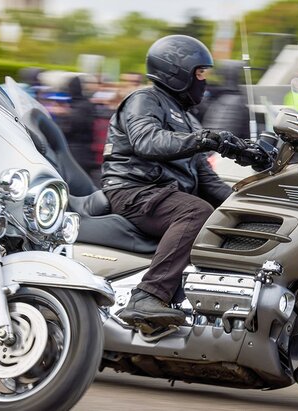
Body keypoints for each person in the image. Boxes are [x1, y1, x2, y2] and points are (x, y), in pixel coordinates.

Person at [101, 35, 263, 330]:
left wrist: (247, 204)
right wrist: (203, 139)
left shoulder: (188, 119)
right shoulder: (144, 100)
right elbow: (147, 141)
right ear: (177, 72)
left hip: (161, 194)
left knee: (222, 213)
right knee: (195, 211)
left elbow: (206, 179)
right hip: (133, 189)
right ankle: (147, 296)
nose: (204, 81)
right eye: (199, 73)